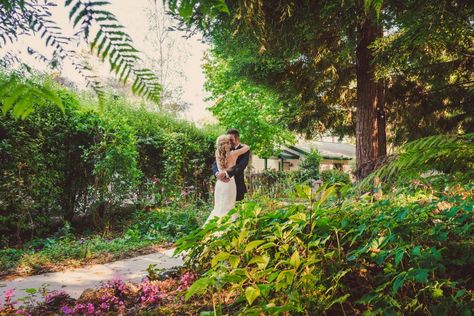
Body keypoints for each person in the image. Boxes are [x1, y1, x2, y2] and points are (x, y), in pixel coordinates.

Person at [206, 131, 250, 222]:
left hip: (228, 183)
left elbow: (241, 166)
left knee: (227, 207)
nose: (230, 141)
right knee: (227, 207)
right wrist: (217, 173)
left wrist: (225, 173)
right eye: (228, 140)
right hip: (229, 183)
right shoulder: (234, 153)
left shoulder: (218, 153)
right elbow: (214, 165)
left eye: (231, 139)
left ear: (237, 139)